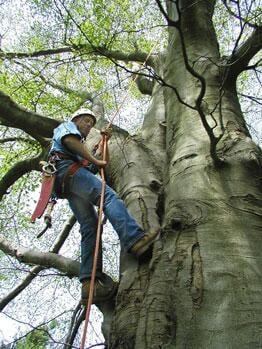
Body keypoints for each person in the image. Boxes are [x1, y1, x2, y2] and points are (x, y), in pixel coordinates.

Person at [49, 108, 159, 304]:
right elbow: (70, 141)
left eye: (92, 123)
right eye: (86, 121)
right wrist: (94, 158)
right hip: (69, 172)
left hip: (69, 182)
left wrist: (103, 144)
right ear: (76, 120)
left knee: (90, 226)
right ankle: (136, 240)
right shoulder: (66, 127)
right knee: (108, 197)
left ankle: (89, 284)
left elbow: (97, 166)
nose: (89, 125)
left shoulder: (79, 149)